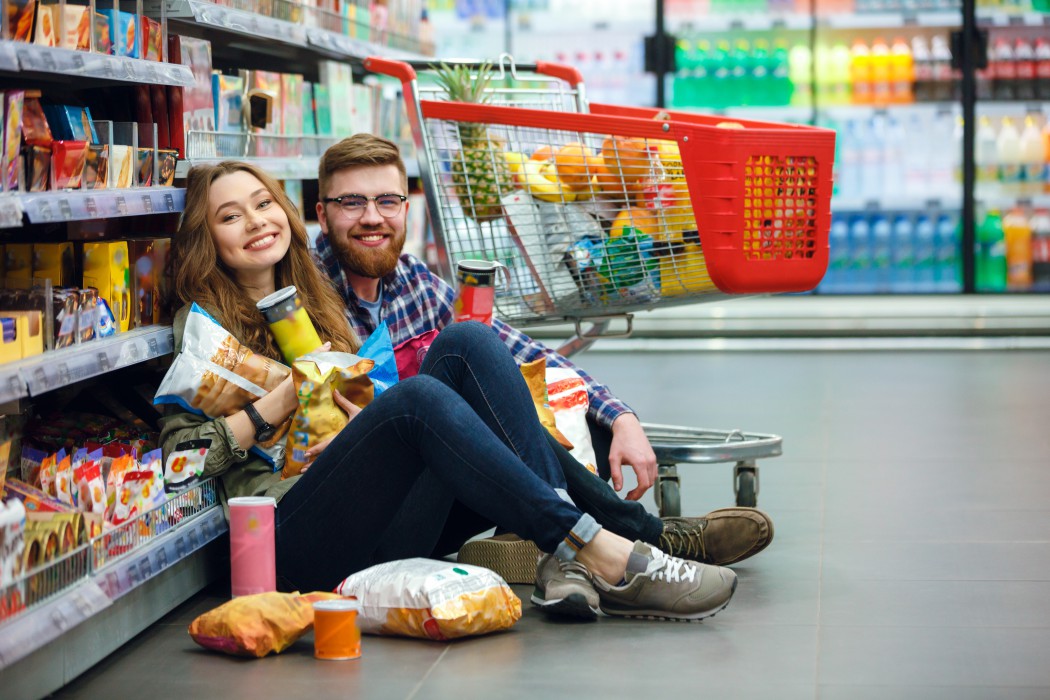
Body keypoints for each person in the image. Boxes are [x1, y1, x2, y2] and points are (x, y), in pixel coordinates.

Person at [158, 160, 739, 622]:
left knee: (467, 342)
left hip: (376, 517)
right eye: (231, 216)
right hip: (292, 538)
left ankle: (610, 543)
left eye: (263, 204)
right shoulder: (202, 325)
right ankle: (609, 553)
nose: (256, 221)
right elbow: (181, 463)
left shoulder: (317, 302)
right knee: (418, 403)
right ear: (207, 237)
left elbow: (507, 352)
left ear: (285, 212)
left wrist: (359, 413)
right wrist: (279, 402)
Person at [310, 134, 774, 606]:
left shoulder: (414, 283)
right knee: (464, 345)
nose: (372, 217)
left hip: (430, 498)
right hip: (368, 523)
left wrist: (620, 416)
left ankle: (572, 550)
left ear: (407, 208)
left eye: (387, 200)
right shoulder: (299, 294)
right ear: (322, 213)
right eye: (352, 202)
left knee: (561, 412)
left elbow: (525, 353)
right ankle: (639, 538)